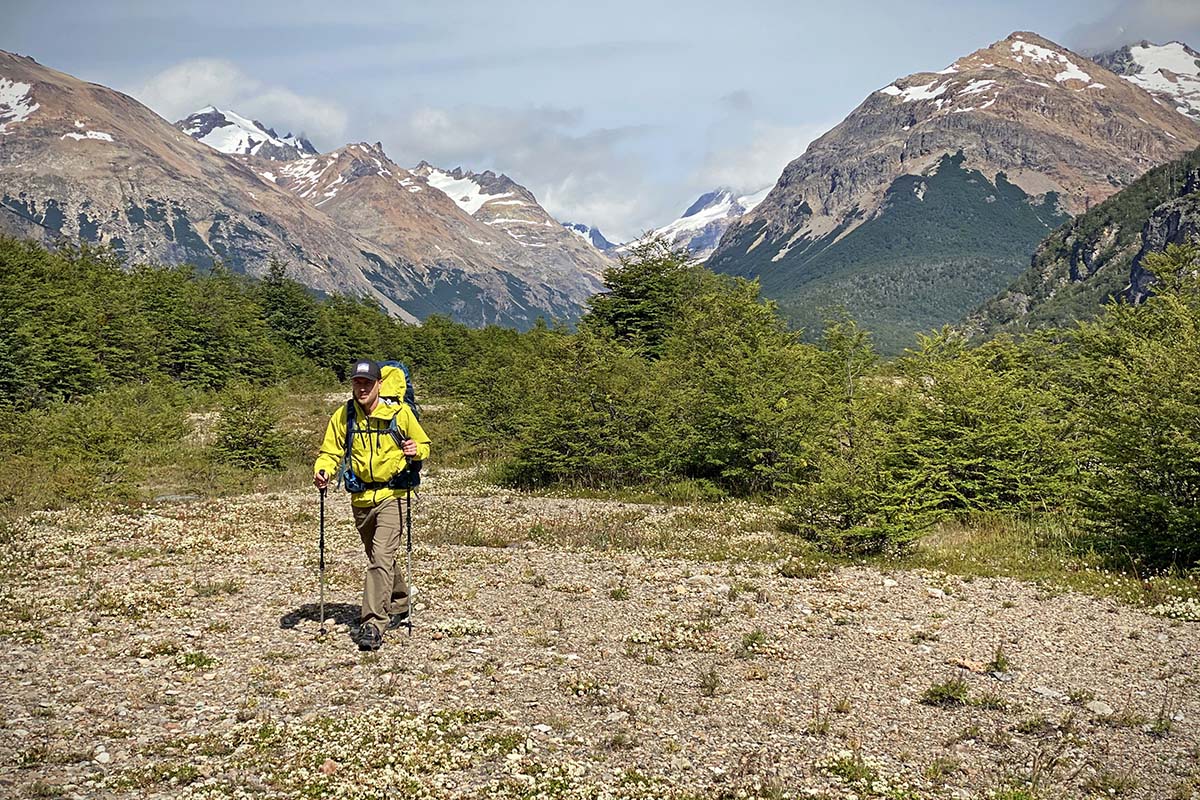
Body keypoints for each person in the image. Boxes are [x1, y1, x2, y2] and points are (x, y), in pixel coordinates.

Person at [313, 359, 431, 650]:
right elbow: (331, 450)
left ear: (379, 384)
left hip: (394, 495)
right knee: (381, 558)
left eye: (367, 383)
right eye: (357, 382)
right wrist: (323, 469)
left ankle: (373, 624)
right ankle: (400, 601)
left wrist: (416, 451)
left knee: (380, 557)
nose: (362, 388)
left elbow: (424, 445)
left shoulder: (400, 414)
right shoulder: (345, 415)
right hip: (361, 497)